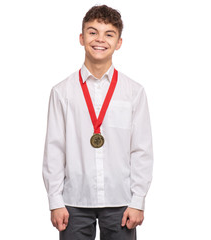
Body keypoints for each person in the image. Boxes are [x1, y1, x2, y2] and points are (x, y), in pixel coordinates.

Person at [42, 4, 153, 240]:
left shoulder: (133, 92)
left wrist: (138, 200)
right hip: (73, 202)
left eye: (109, 34)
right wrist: (55, 200)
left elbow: (141, 149)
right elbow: (54, 149)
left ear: (119, 42)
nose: (100, 39)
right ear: (81, 38)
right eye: (93, 32)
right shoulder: (62, 92)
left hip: (121, 201)